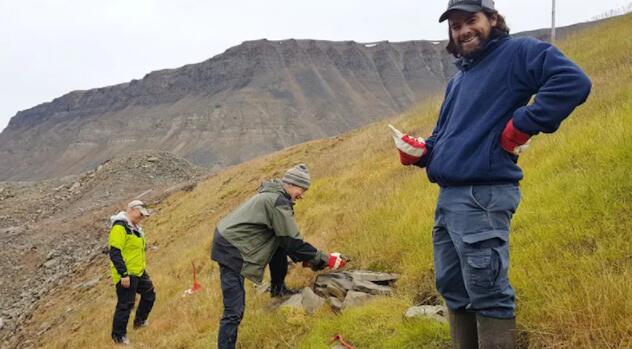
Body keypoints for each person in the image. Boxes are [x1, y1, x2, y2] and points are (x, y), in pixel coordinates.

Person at [390, 0, 591, 348]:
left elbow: (573, 81)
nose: (463, 30)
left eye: (471, 20)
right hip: (449, 200)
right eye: (455, 26)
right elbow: (444, 135)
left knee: (488, 292)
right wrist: (423, 152)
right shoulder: (459, 79)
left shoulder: (518, 53)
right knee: (454, 289)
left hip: (482, 197)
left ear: (492, 19)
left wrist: (521, 126)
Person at [211, 164, 347, 349]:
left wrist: (309, 259)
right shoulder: (277, 201)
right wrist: (326, 259)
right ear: (291, 184)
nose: (303, 195)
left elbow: (284, 240)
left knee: (278, 247)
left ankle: (278, 289)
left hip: (229, 238)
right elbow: (294, 242)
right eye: (302, 189)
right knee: (234, 309)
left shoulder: (276, 195)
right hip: (231, 247)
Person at [108, 200, 155, 345]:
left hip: (139, 271)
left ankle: (140, 322)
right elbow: (115, 252)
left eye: (143, 215)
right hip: (126, 274)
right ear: (131, 210)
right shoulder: (119, 227)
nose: (141, 217)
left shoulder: (136, 228)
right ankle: (119, 337)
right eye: (140, 214)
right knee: (125, 305)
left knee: (149, 294)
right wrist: (124, 274)